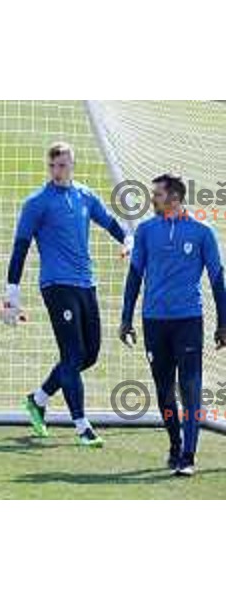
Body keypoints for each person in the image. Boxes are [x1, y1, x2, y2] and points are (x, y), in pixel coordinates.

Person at [1, 142, 129, 446]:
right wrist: (12, 292)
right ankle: (82, 426)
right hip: (56, 285)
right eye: (53, 166)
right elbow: (21, 246)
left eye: (63, 165)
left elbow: (110, 222)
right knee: (72, 354)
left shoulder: (84, 195)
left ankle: (38, 398)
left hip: (86, 283)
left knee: (89, 355)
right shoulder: (37, 202)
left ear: (73, 165)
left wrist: (128, 240)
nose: (57, 171)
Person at [120, 174, 226, 476]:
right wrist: (126, 318)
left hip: (188, 321)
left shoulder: (202, 232)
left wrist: (223, 323)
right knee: (164, 390)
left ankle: (189, 456)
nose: (152, 199)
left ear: (175, 199)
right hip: (154, 321)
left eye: (157, 195)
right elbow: (134, 277)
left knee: (190, 388)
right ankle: (175, 444)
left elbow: (217, 279)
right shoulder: (145, 231)